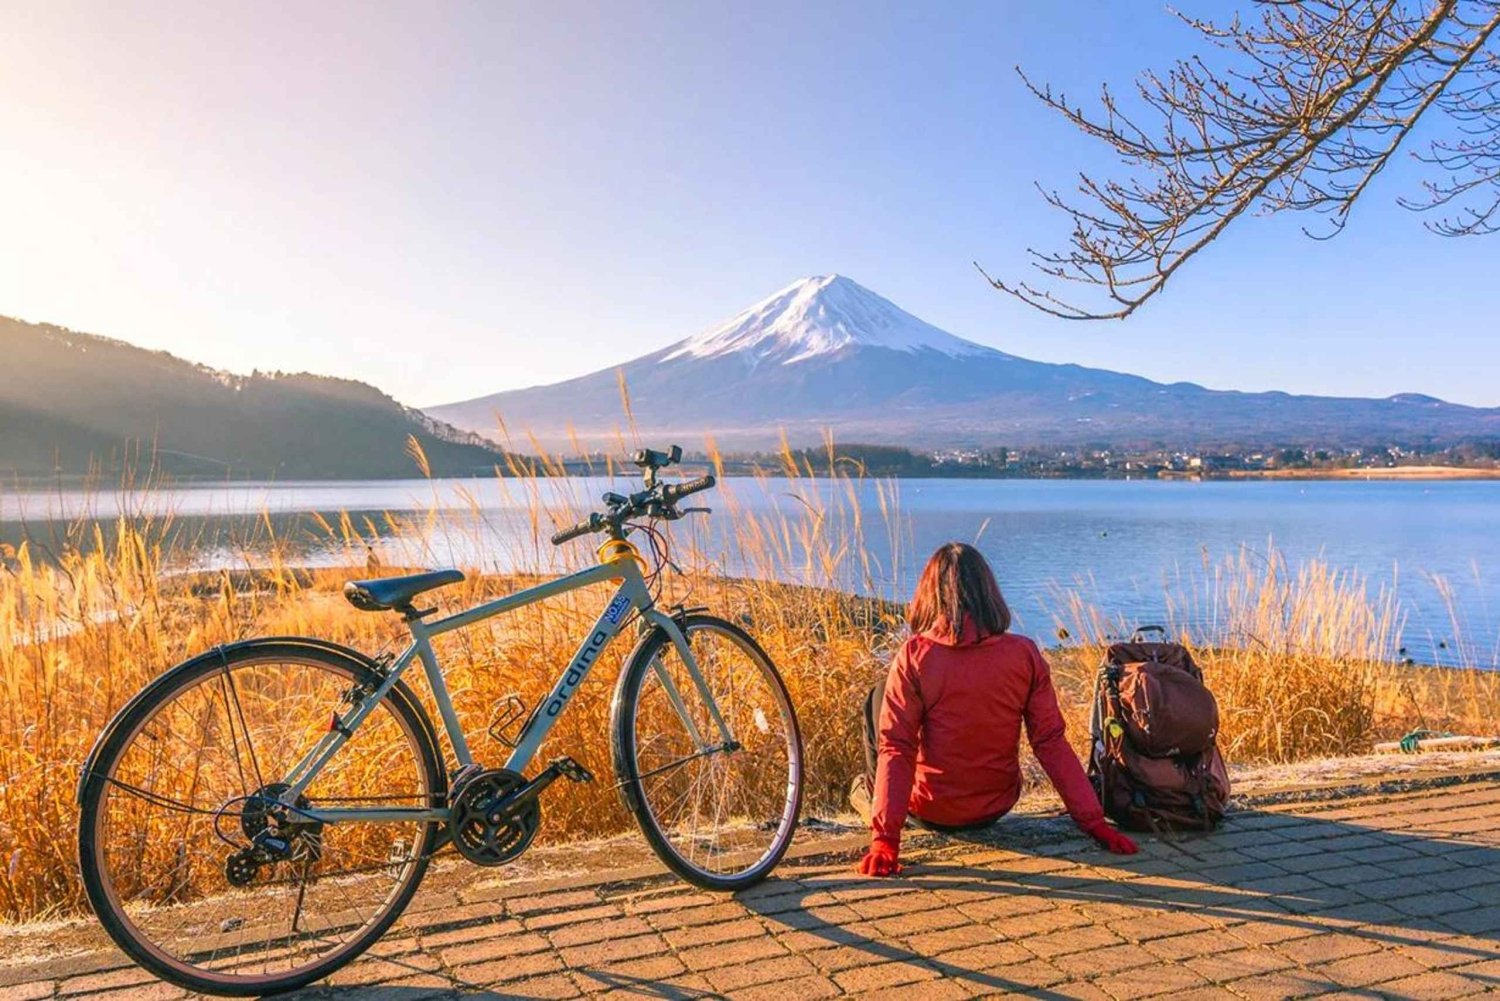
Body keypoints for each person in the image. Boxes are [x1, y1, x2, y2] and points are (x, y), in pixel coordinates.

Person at [854, 542, 1138, 877]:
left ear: (930, 593)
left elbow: (897, 748)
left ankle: (874, 800)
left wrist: (885, 840)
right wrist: (1094, 822)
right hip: (996, 806)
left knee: (877, 703)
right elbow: (1050, 742)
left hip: (931, 811)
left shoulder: (915, 656)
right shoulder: (1024, 654)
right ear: (990, 592)